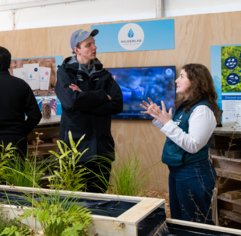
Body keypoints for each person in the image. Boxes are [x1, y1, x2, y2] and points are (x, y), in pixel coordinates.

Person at [141, 63, 221, 224]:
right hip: (179, 171)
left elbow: (193, 145)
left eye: (182, 76)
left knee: (195, 224)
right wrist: (160, 119)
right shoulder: (185, 106)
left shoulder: (202, 110)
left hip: (194, 172)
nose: (176, 80)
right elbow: (178, 136)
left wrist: (168, 123)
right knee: (180, 222)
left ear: (196, 81)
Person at [55, 29, 123, 193]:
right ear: (76, 50)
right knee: (73, 200)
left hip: (101, 148)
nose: (94, 47)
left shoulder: (105, 75)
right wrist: (101, 95)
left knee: (99, 199)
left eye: (94, 43)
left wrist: (83, 98)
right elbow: (72, 101)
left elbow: (117, 104)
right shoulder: (64, 73)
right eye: (88, 45)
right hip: (74, 149)